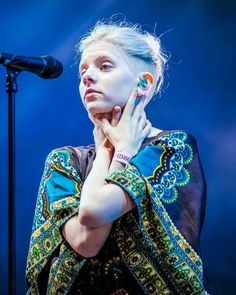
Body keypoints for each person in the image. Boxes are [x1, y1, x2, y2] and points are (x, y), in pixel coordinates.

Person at [26, 19, 213, 294]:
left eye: (104, 66)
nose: (87, 77)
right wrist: (108, 151)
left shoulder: (171, 147)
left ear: (143, 82)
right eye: (83, 72)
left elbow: (93, 211)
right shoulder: (64, 160)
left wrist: (120, 151)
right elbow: (85, 243)